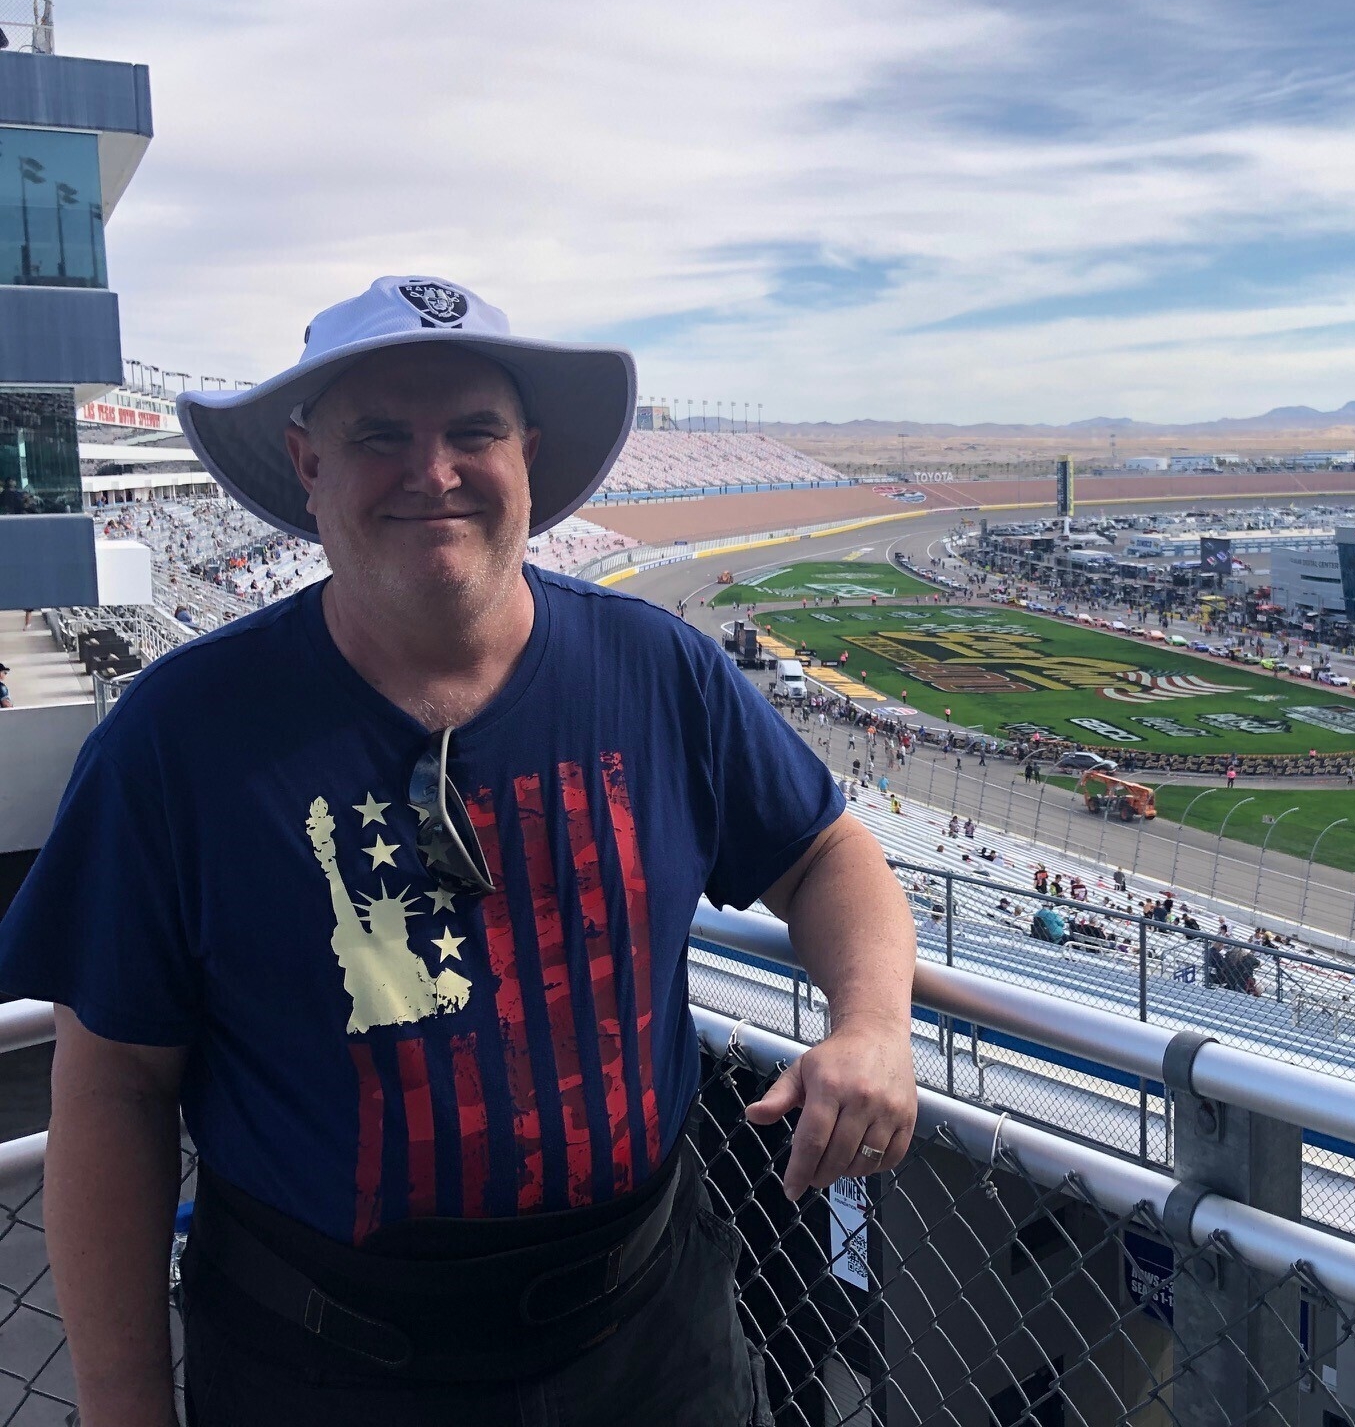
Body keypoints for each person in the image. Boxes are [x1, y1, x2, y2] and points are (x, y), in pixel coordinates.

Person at [0, 277, 920, 1426]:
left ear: (526, 456)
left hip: (646, 1339)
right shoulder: (175, 738)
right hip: (322, 1367)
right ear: (308, 463)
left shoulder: (660, 672)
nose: (433, 471)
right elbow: (114, 1089)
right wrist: (125, 1408)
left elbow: (827, 852)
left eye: (472, 432)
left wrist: (873, 1024)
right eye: (380, 436)